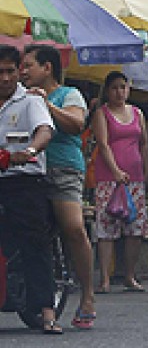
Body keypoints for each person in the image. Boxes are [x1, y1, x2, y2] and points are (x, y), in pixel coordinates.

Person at [21, 45, 95, 329]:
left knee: (74, 228)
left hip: (63, 169)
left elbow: (76, 124)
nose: (24, 72)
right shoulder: (20, 96)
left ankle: (88, 295)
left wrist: (47, 105)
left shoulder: (69, 95)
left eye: (29, 66)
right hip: (27, 170)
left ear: (47, 67)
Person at [0, 46, 59, 333]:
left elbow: (45, 130)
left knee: (35, 246)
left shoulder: (30, 101)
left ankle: (47, 311)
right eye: (0, 72)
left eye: (10, 71)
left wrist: (32, 149)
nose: (5, 78)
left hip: (25, 181)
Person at [91, 71, 148, 294]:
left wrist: (147, 168)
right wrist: (115, 170)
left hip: (135, 177)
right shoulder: (102, 114)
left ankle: (130, 275)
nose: (119, 92)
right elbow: (103, 144)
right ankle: (105, 277)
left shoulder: (137, 113)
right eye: (115, 87)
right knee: (107, 228)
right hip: (109, 178)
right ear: (107, 90)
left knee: (135, 228)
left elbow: (143, 143)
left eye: (123, 87)